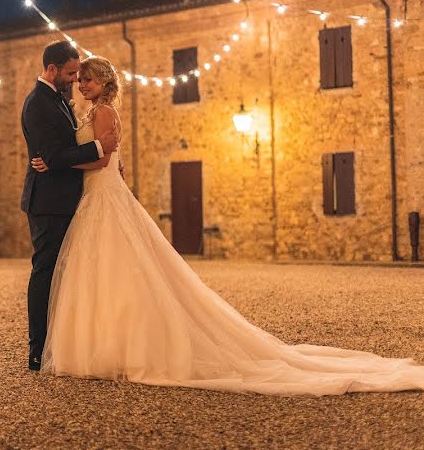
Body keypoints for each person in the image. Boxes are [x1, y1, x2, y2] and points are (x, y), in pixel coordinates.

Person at [30, 54, 424, 395]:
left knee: (117, 269)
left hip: (102, 195)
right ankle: (104, 341)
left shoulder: (103, 112)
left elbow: (101, 160)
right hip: (97, 197)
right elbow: (113, 160)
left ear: (105, 83)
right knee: (107, 271)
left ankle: (119, 346)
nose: (82, 84)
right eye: (79, 78)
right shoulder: (92, 112)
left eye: (88, 78)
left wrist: (58, 161)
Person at [19, 41, 120, 372]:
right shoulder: (38, 104)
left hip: (72, 198)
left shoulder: (61, 100)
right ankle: (38, 349)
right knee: (46, 270)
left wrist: (100, 153)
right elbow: (53, 155)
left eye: (82, 76)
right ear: (52, 70)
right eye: (72, 74)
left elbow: (61, 155)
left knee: (69, 272)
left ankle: (63, 343)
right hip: (48, 203)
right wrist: (96, 148)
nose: (76, 81)